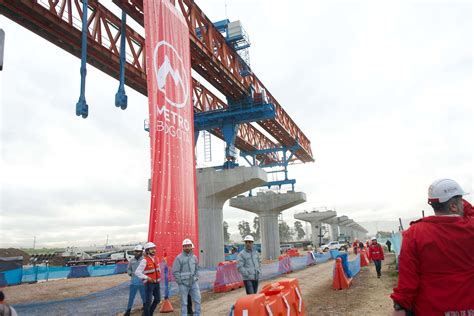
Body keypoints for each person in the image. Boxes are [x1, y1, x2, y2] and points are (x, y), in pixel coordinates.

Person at [390, 178, 474, 315]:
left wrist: (400, 306)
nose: (463, 205)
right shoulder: (470, 228)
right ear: (453, 206)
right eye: (461, 201)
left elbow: (407, 280)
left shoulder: (414, 233)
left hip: (430, 310)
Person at [172, 238, 201, 316]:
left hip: (193, 283)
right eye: (185, 246)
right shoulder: (179, 258)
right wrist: (180, 283)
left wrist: (196, 277)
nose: (187, 247)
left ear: (191, 246)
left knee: (198, 300)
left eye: (188, 246)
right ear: (183, 247)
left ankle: (197, 314)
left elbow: (197, 269)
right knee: (184, 303)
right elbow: (175, 271)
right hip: (183, 284)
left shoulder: (194, 257)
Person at [135, 242, 161, 316]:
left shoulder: (156, 258)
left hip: (157, 283)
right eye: (151, 249)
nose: (153, 250)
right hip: (149, 284)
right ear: (147, 251)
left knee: (157, 299)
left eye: (154, 248)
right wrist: (147, 278)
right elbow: (137, 272)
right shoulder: (144, 261)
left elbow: (158, 269)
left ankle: (149, 314)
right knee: (148, 302)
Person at [124, 245, 145, 316]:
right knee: (131, 297)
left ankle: (145, 307)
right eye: (135, 251)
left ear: (141, 252)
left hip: (142, 282)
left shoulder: (144, 260)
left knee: (143, 296)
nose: (136, 253)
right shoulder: (132, 260)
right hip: (134, 282)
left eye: (138, 252)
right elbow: (128, 269)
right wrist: (130, 273)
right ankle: (128, 311)